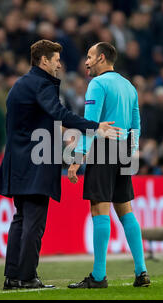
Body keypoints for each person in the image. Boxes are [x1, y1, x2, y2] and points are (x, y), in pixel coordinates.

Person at [0, 39, 119, 290]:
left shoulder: (20, 84)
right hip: (36, 163)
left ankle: (13, 276)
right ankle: (27, 276)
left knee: (20, 219)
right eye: (56, 59)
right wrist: (95, 126)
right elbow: (60, 113)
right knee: (34, 222)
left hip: (18, 160)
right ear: (44, 61)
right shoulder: (41, 84)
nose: (60, 64)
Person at [67, 42, 150, 289]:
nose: (87, 62)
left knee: (99, 209)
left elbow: (91, 123)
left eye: (90, 57)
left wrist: (78, 157)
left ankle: (99, 276)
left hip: (103, 148)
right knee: (125, 210)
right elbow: (137, 123)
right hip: (123, 148)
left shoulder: (98, 84)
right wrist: (131, 151)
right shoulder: (129, 86)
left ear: (102, 58)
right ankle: (141, 271)